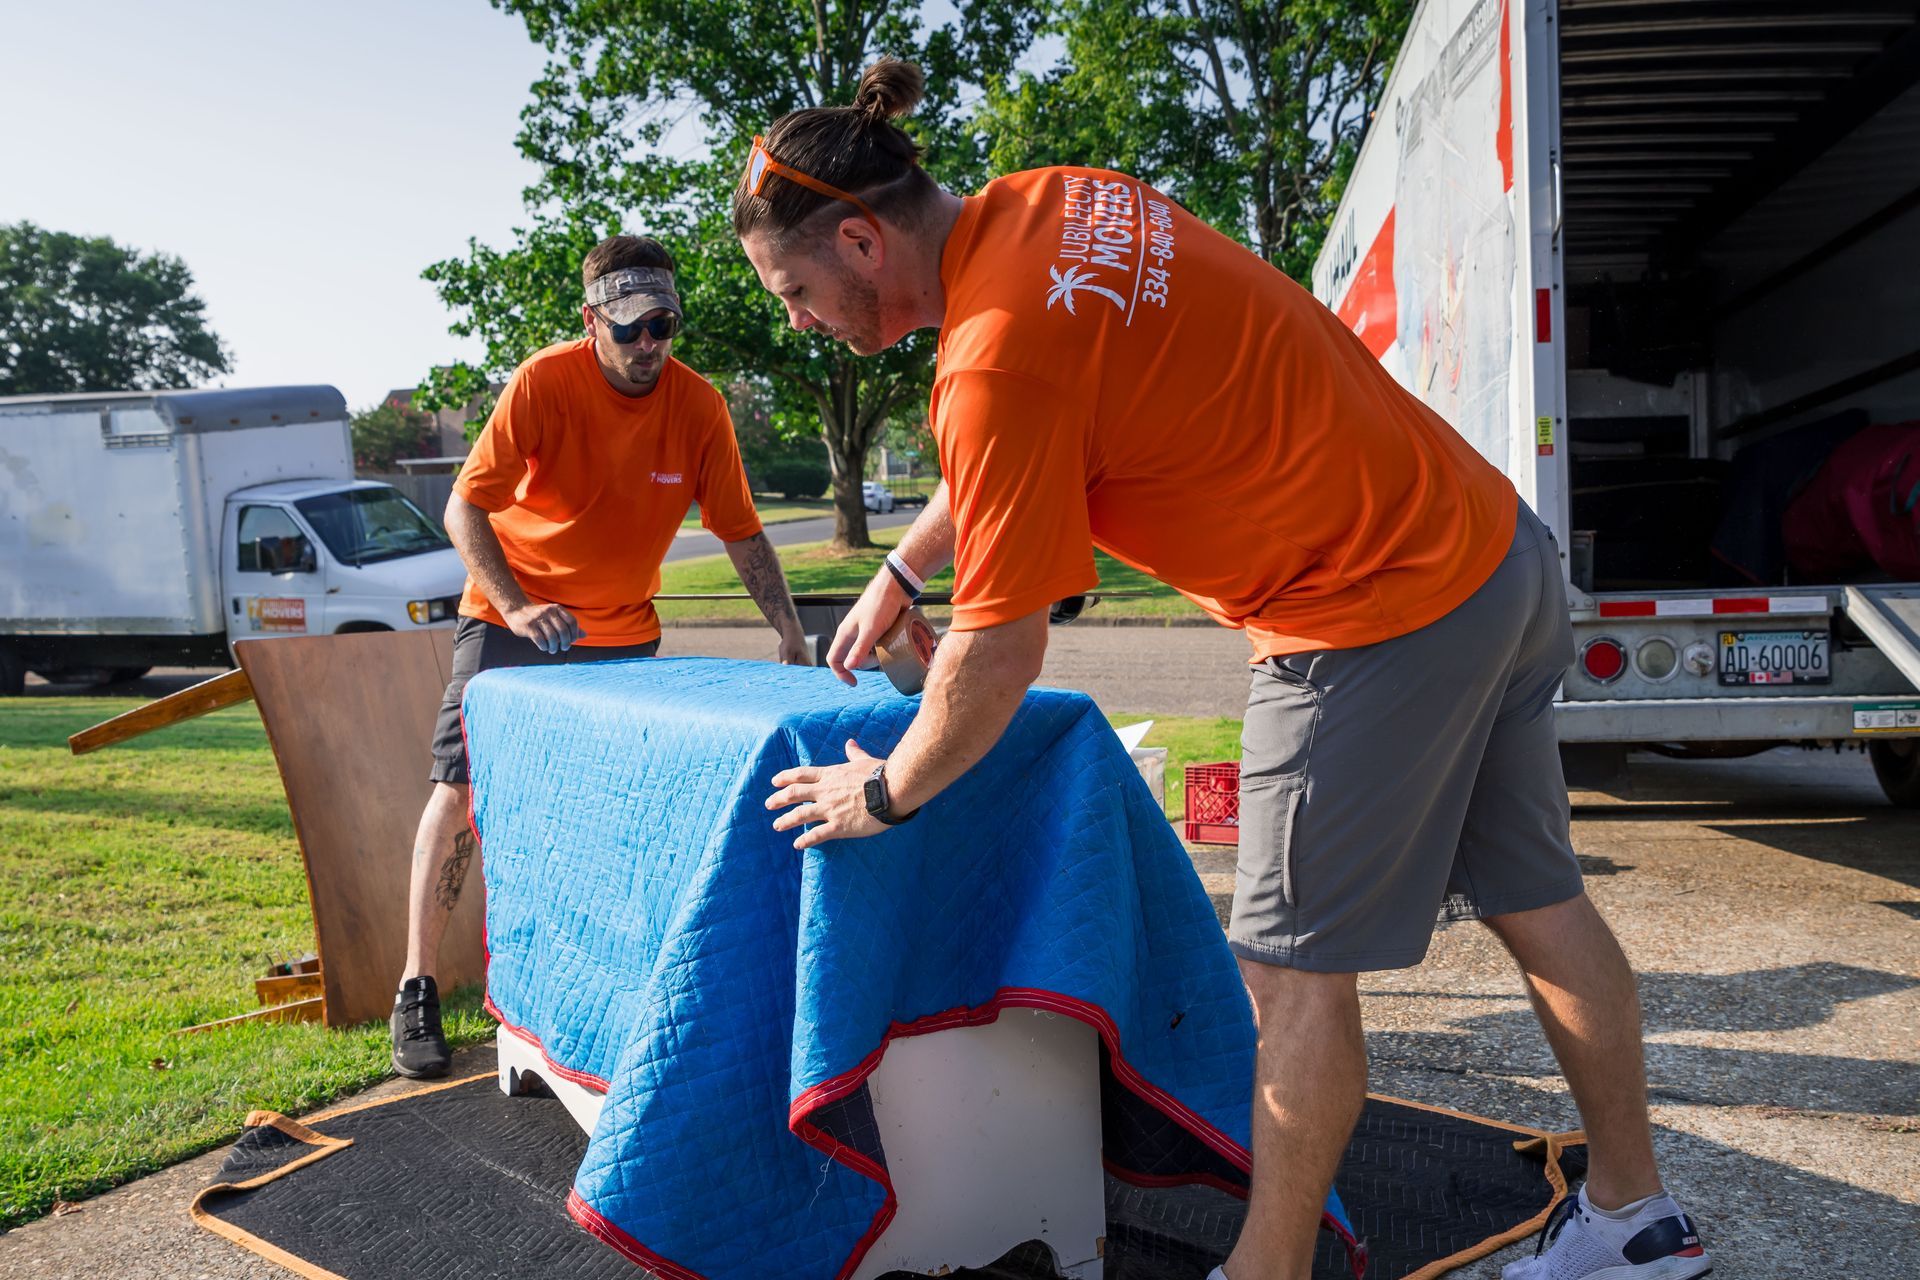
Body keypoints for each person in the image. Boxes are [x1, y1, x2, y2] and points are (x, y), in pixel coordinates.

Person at [741, 59, 1710, 1280]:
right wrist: (905, 570)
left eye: (793, 288)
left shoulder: (988, 359)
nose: (797, 316)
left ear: (861, 238)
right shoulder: (1055, 202)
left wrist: (883, 789)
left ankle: (1266, 1268)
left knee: (1291, 975)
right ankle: (1635, 1216)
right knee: (1538, 898)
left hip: (1365, 615)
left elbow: (1000, 652)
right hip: (1490, 554)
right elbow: (1035, 417)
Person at [391, 234, 810, 1078]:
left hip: (621, 635)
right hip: (512, 622)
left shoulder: (697, 406)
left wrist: (791, 631)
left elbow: (741, 530)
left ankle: (593, 998)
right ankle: (419, 986)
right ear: (592, 323)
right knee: (463, 788)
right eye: (630, 330)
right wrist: (514, 602)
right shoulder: (545, 382)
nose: (649, 344)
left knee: (606, 813)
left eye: (664, 325)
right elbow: (464, 511)